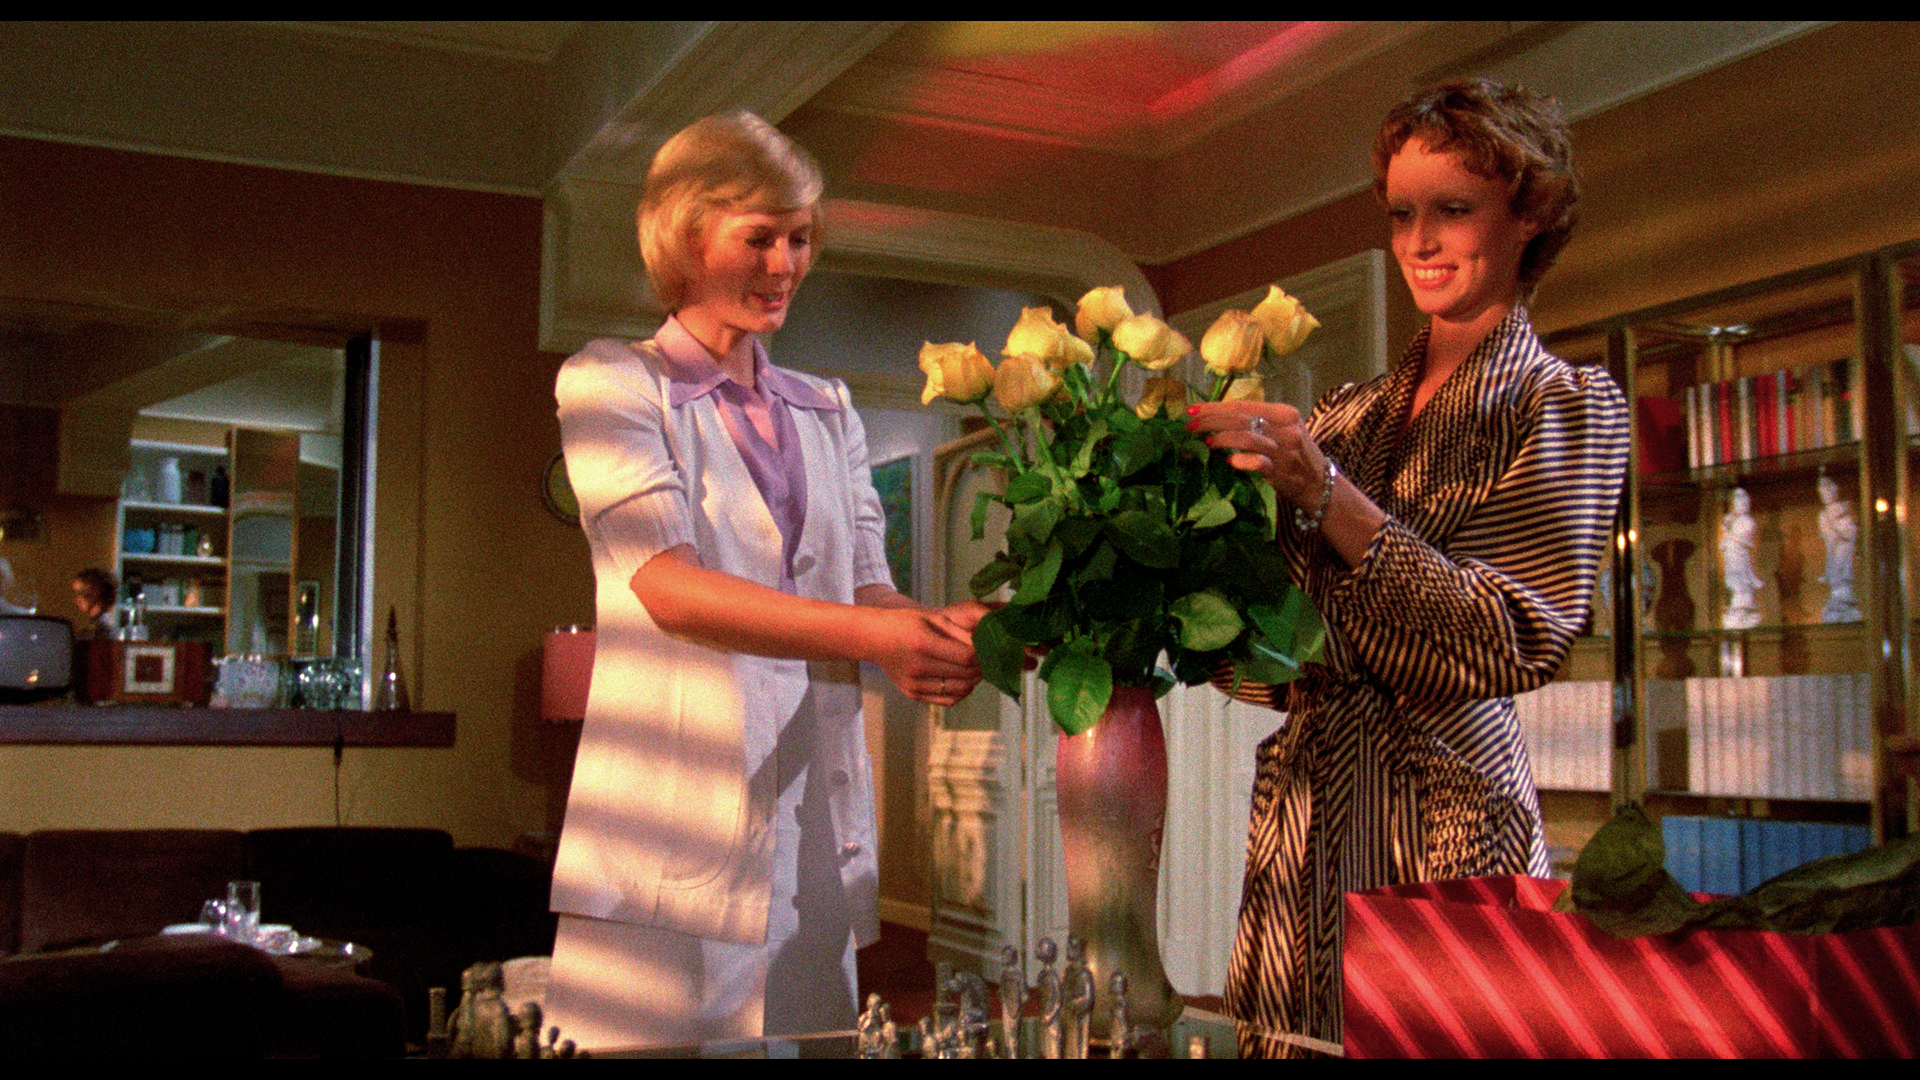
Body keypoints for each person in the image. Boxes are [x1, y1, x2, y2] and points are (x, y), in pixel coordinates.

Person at [1186, 78, 1629, 1056]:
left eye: (1452, 210)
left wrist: (1326, 496)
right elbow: (1278, 657)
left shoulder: (1564, 404)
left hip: (1446, 823)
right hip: (1305, 820)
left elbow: (1515, 638)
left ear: (1531, 213)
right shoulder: (1345, 416)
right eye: (1401, 215)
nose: (1420, 241)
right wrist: (1159, 588)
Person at [543, 111, 988, 1051]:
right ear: (684, 238)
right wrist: (877, 638)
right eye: (759, 238)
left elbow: (867, 588)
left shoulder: (827, 408)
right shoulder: (613, 384)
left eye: (800, 239)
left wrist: (937, 628)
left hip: (811, 822)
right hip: (670, 822)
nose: (785, 265)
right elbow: (670, 589)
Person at [70, 568, 118, 638]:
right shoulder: (96, 627)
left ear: (94, 593)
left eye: (80, 593)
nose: (76, 600)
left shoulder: (99, 631)